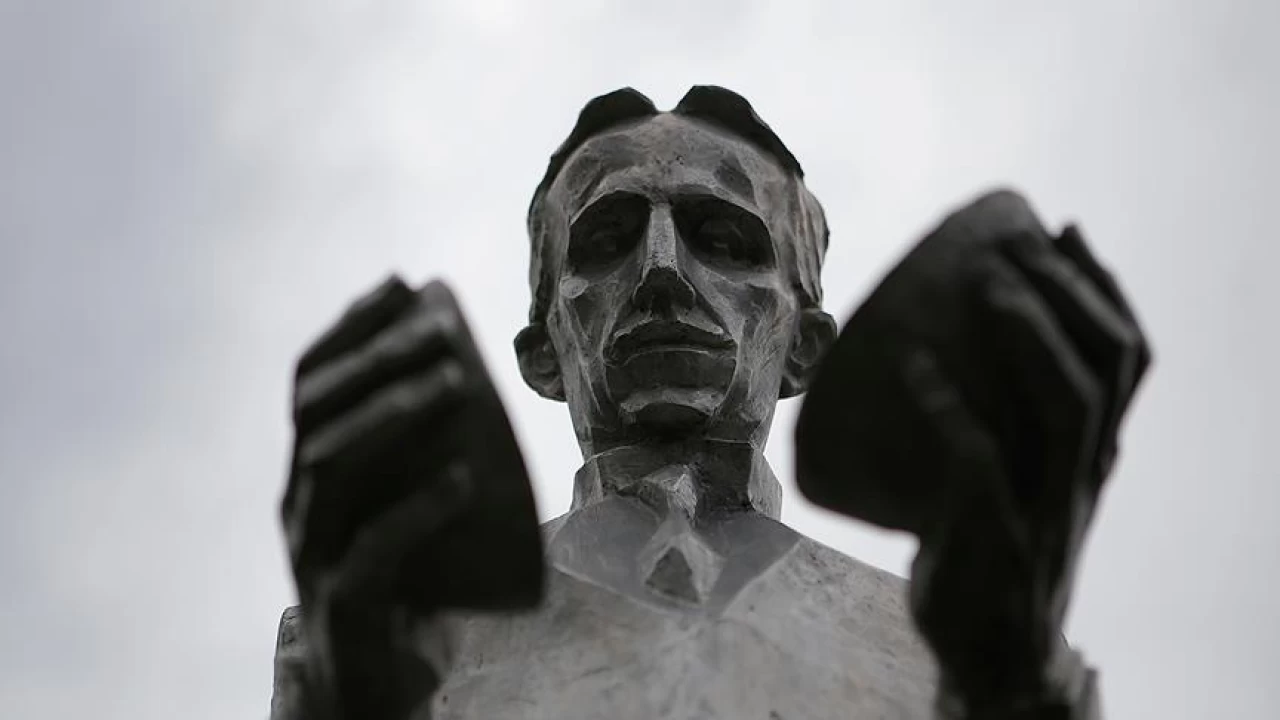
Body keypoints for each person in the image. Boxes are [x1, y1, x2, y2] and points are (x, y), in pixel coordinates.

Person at [269, 86, 1150, 720]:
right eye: (606, 242)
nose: (660, 272)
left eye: (725, 240)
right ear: (543, 353)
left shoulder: (959, 647)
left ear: (806, 345)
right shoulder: (362, 641)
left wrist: (1014, 688)